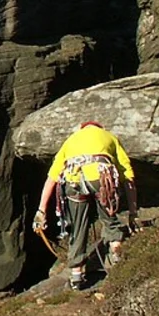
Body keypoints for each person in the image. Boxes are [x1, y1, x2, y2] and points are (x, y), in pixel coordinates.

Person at [33, 121, 138, 291]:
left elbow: (52, 178)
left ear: (82, 128)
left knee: (77, 227)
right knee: (109, 218)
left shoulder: (71, 140)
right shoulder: (110, 137)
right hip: (102, 177)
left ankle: (76, 274)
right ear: (99, 128)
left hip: (74, 180)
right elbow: (128, 176)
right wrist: (133, 211)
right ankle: (116, 253)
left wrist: (41, 210)